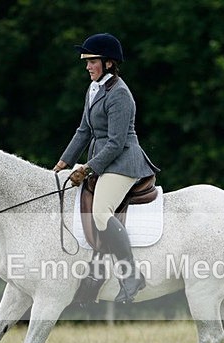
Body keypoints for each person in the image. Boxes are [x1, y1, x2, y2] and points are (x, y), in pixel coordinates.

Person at [53, 32, 159, 304]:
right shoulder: (95, 89)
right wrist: (63, 163)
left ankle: (131, 274)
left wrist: (87, 169)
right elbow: (84, 130)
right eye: (86, 62)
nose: (87, 66)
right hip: (103, 159)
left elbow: (115, 143)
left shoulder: (120, 94)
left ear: (109, 63)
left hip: (123, 161)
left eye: (92, 61)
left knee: (101, 212)